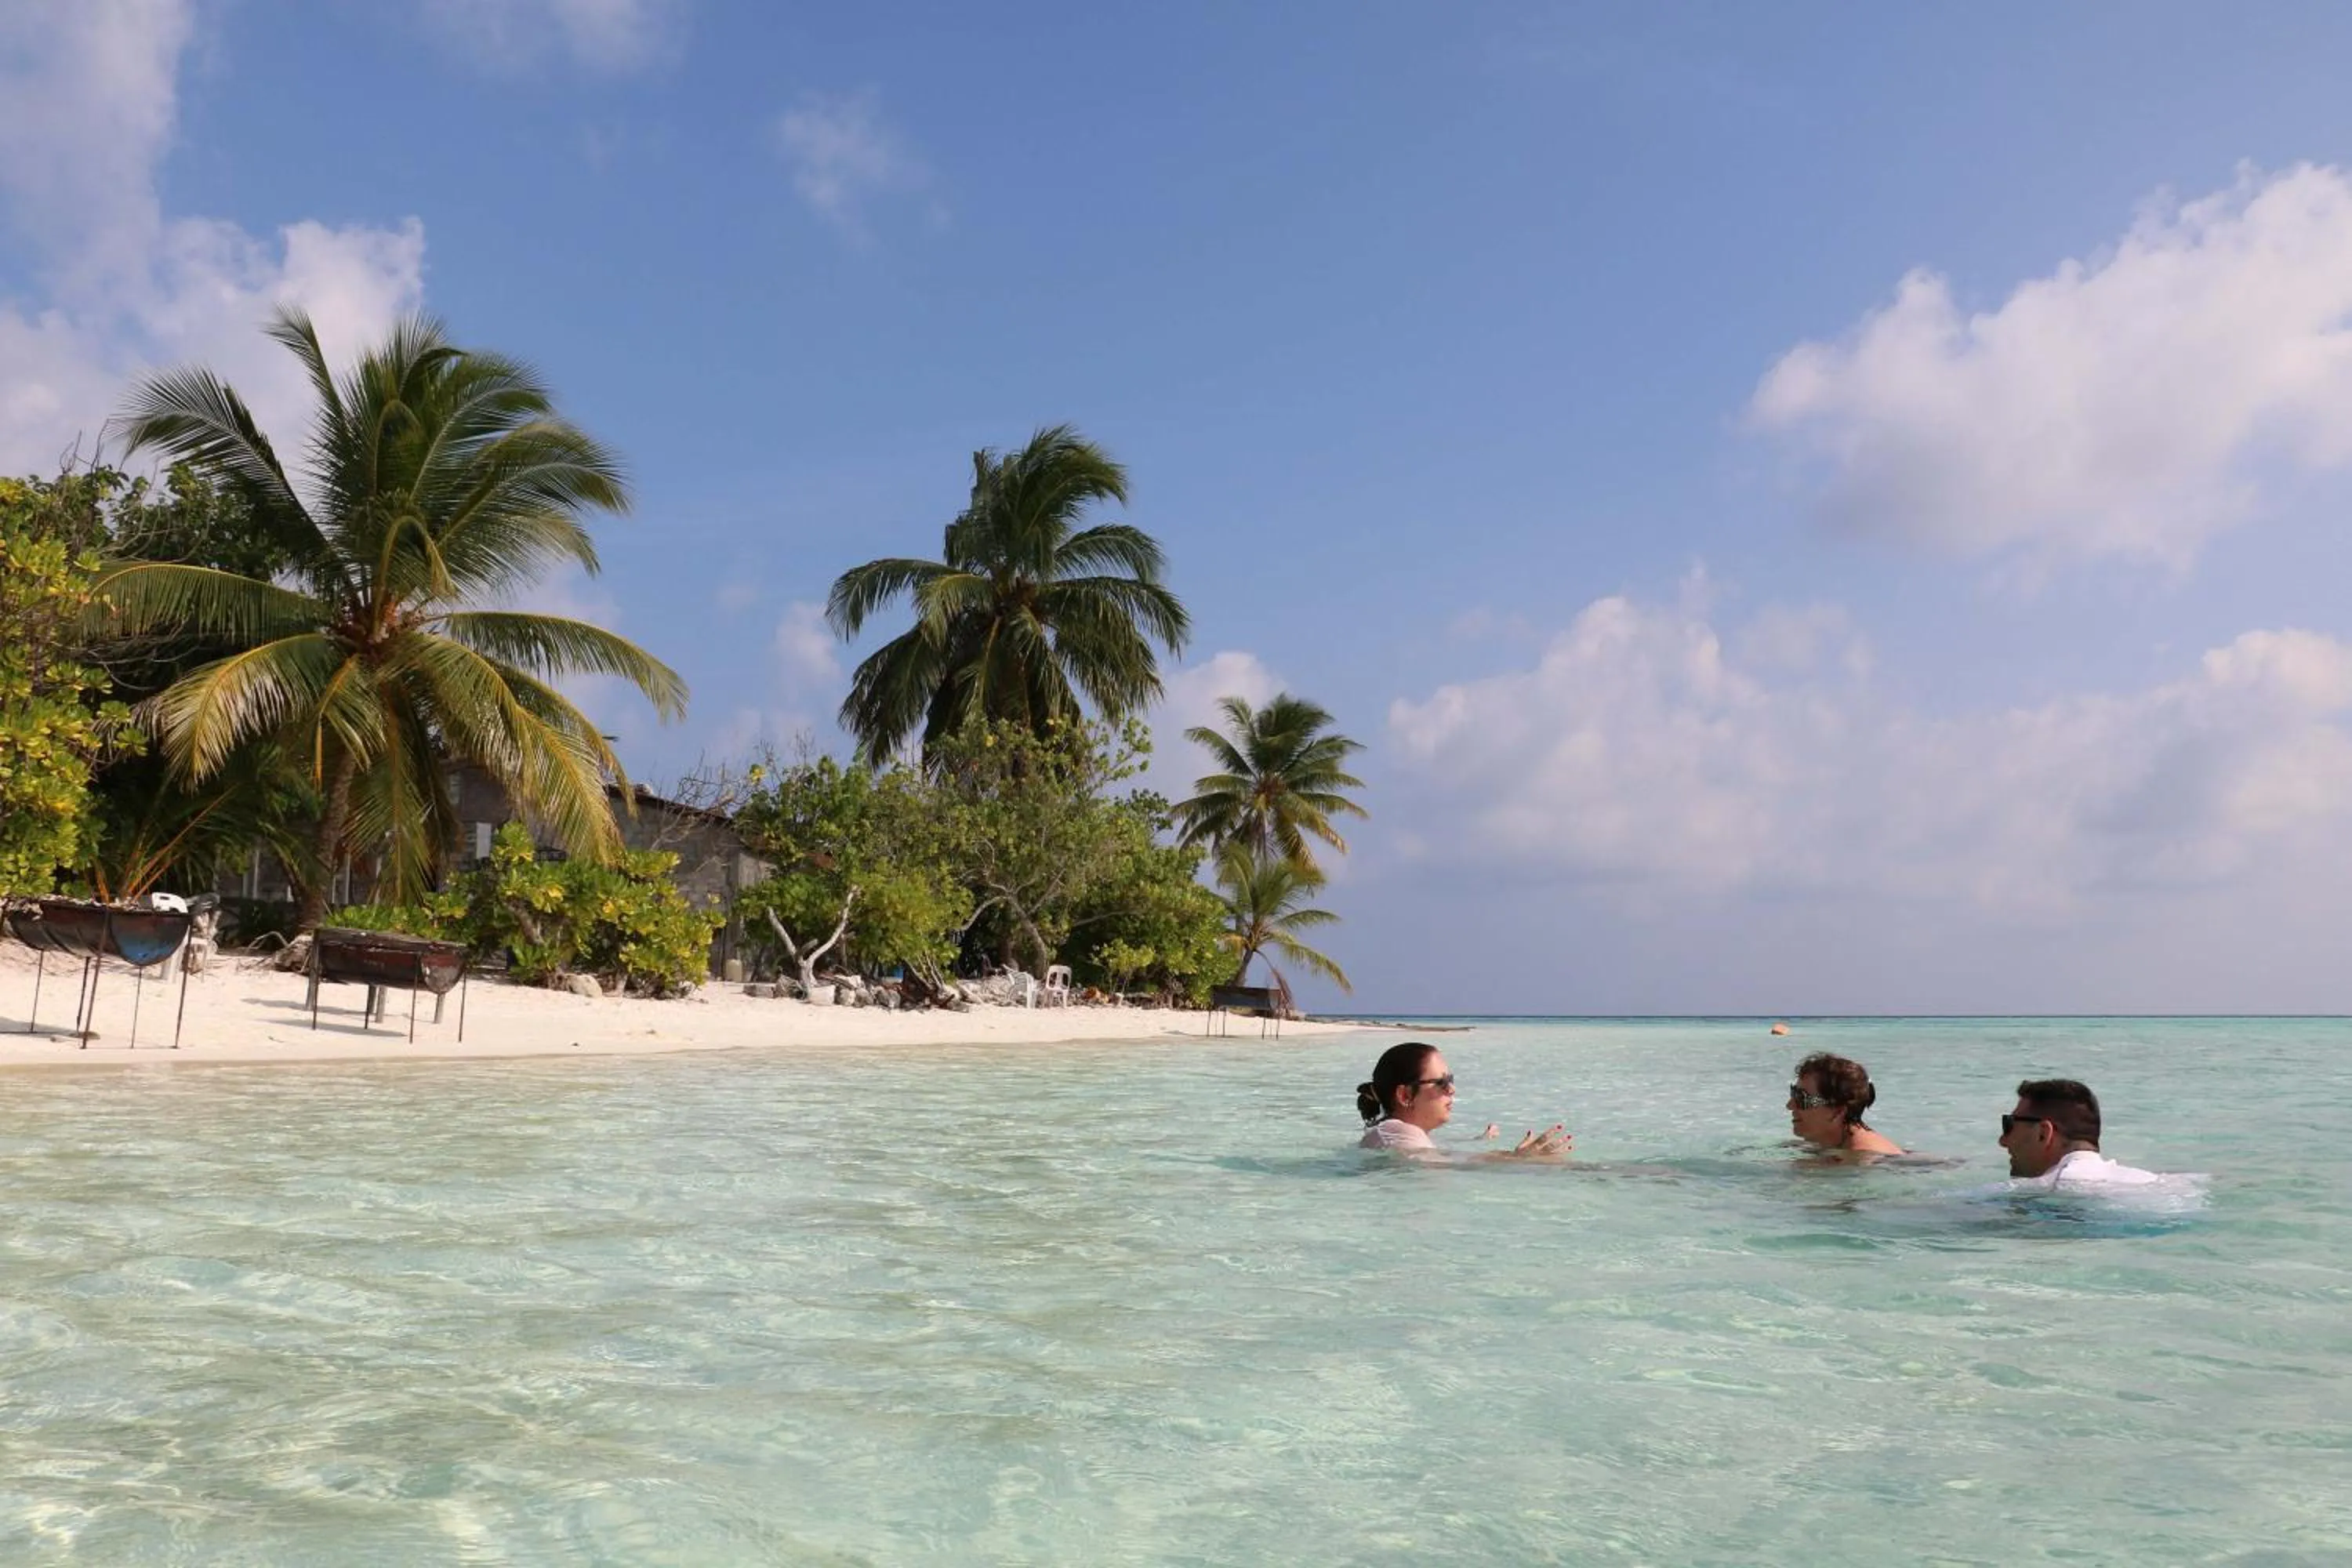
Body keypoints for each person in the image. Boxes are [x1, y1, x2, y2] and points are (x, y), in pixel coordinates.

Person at [1356, 1041, 1569, 1160]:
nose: (1452, 1089)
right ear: (1404, 1096)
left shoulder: (1392, 1132)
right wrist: (1516, 1159)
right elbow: (1443, 1164)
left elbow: (1437, 1154)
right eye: (1441, 1083)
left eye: (1451, 1080)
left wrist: (1480, 1141)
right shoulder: (1397, 1132)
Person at [1998, 1079, 2159, 1186]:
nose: (2003, 1141)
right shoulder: (2148, 1181)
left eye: (2009, 1125)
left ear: (2043, 1133)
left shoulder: (2043, 1189)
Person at [1786, 1052, 1903, 1159]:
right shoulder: (1833, 1145)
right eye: (1793, 1093)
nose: (1790, 1105)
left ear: (1838, 1112)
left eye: (1802, 1098)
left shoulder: (1863, 1161)